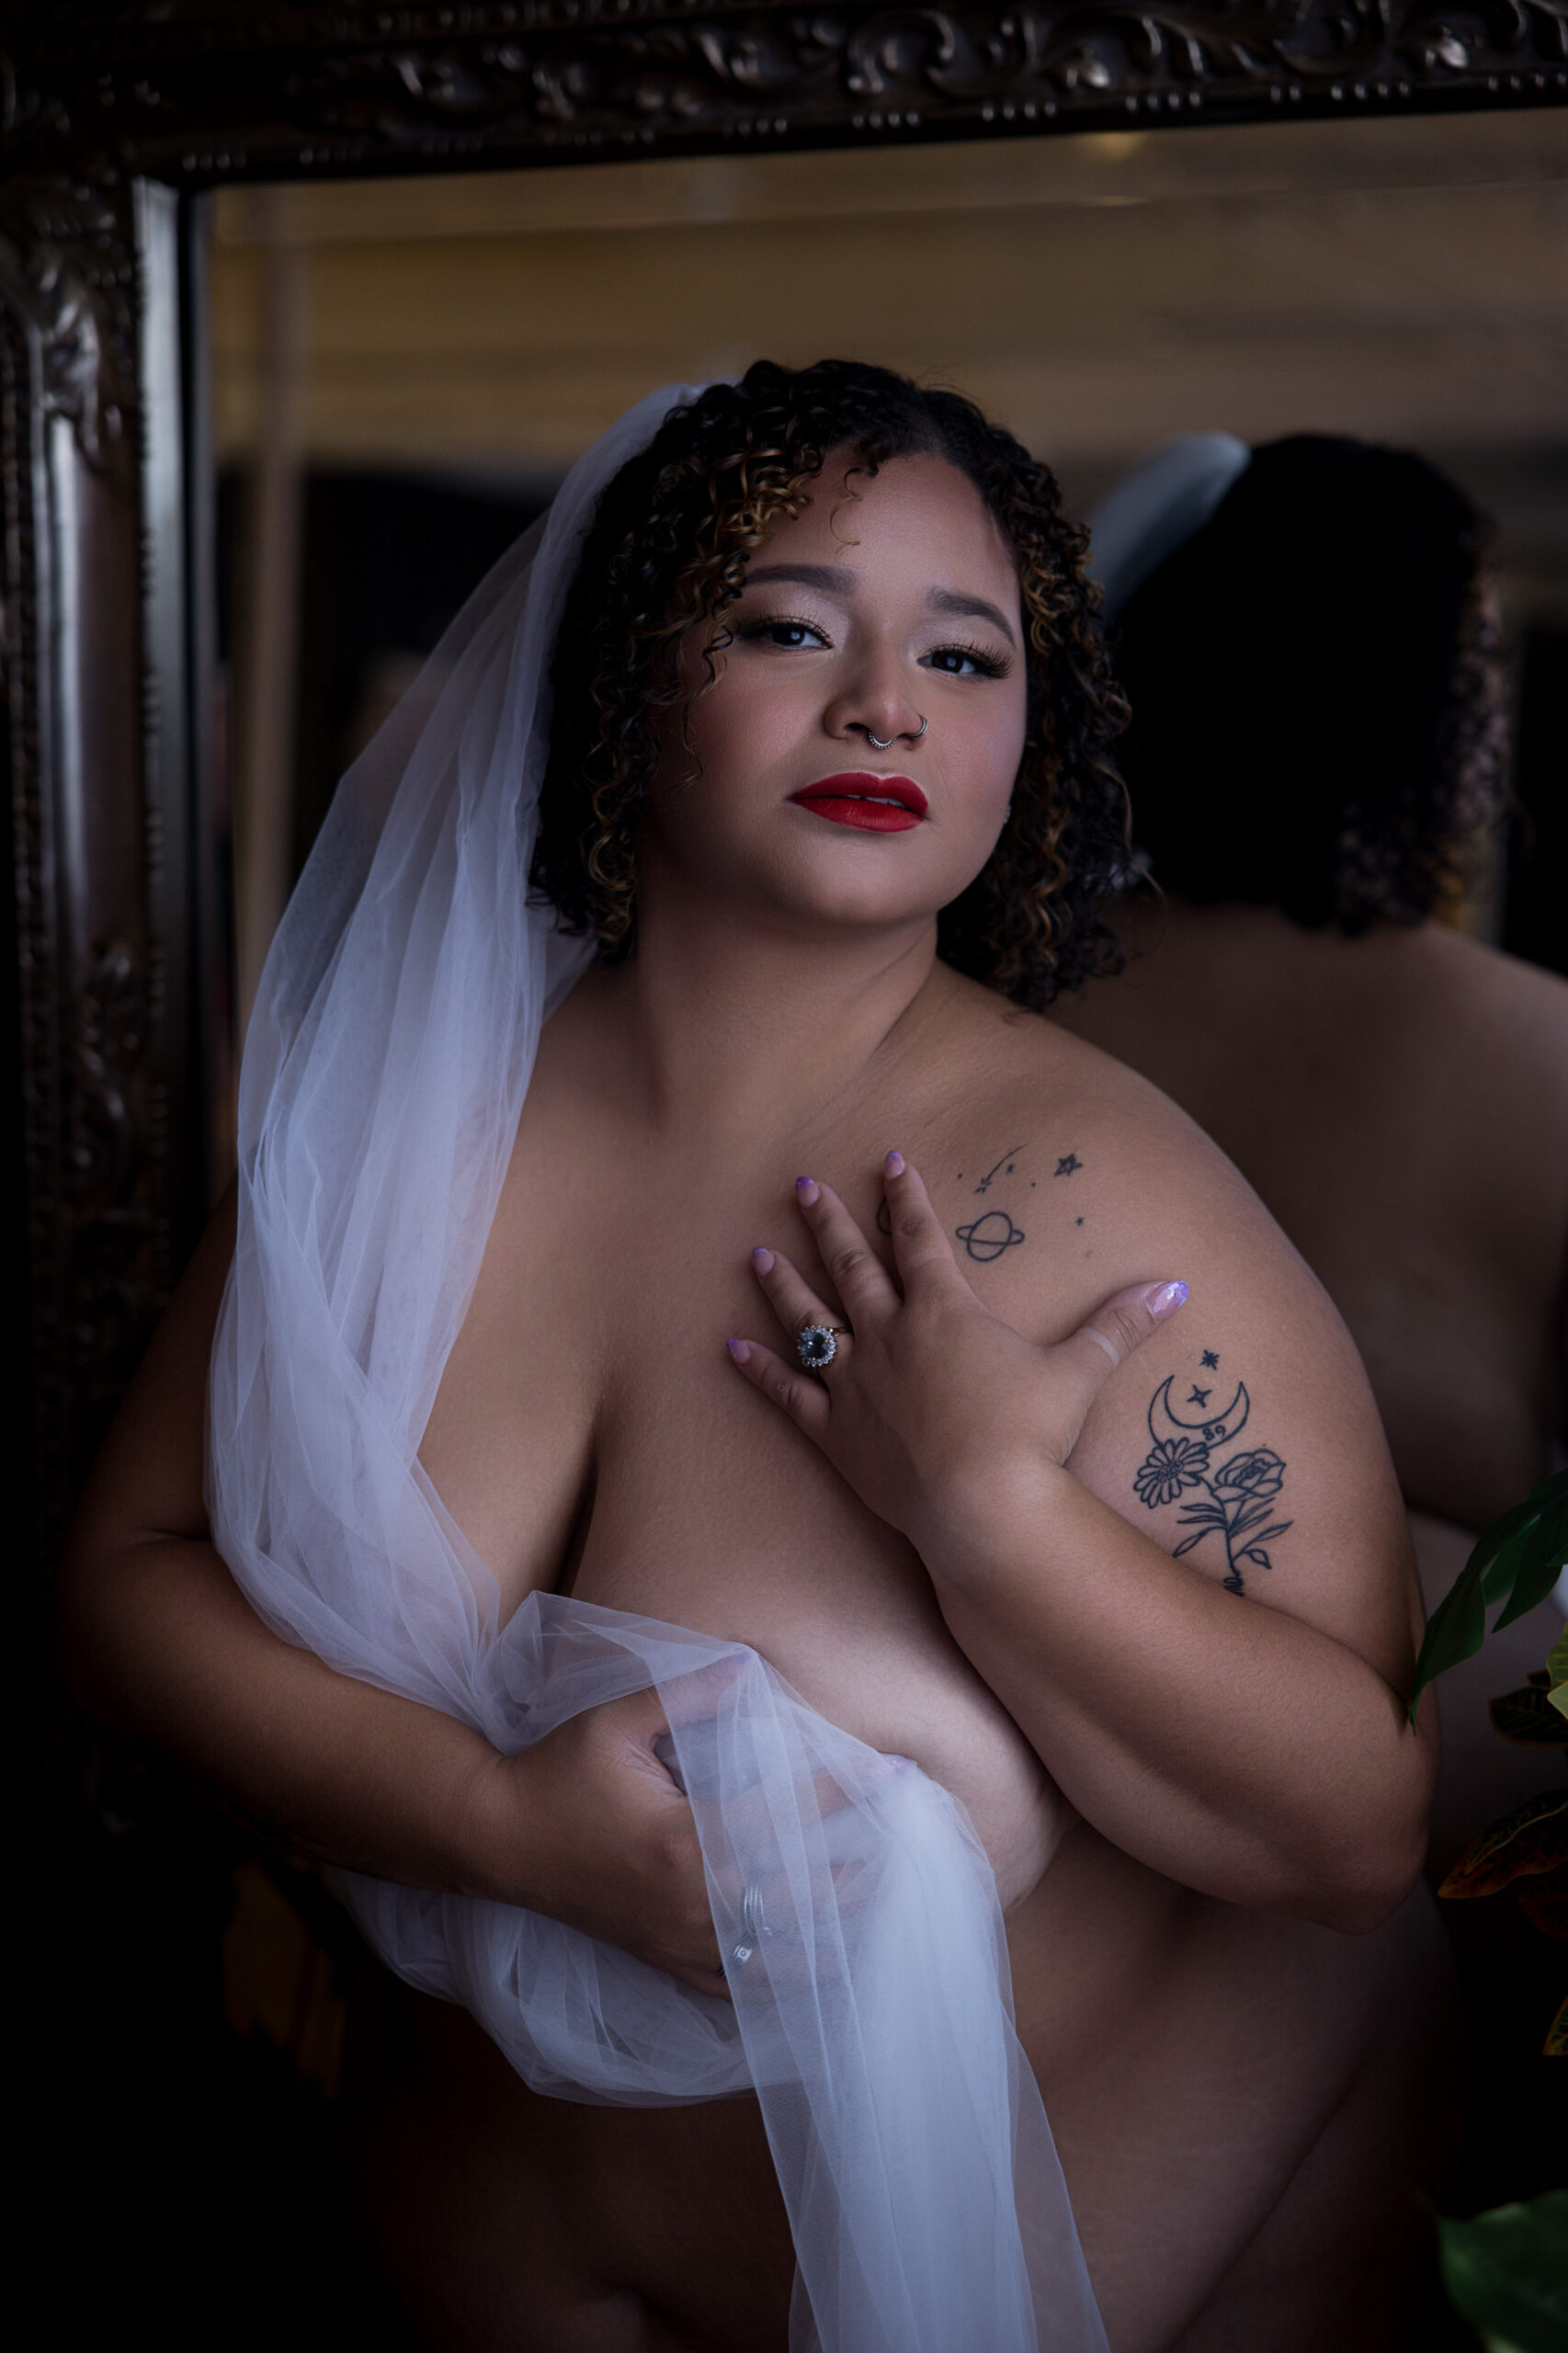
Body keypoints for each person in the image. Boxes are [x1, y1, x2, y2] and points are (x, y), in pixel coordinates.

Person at [62, 367, 1452, 2353]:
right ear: (629, 672)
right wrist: (492, 1815)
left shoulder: (1099, 1202)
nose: (883, 700)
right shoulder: (416, 1133)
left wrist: (991, 1513)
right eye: (790, 624)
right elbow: (122, 1585)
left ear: (1025, 740)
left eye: (962, 655)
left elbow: (1352, 1838)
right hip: (453, 2238)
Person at [1055, 431, 1568, 1889]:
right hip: (1421, 1860)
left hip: (1017, 1828)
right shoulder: (1540, 1062)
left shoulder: (981, 1004)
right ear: (1442, 724)